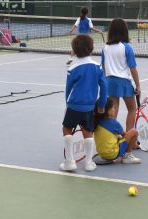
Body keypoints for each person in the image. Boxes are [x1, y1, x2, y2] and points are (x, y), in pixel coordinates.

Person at [60, 34, 107, 173]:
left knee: (67, 129)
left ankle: (70, 162)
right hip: (89, 107)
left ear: (74, 50)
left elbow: (68, 89)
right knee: (88, 132)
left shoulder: (72, 69)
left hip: (74, 105)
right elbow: (104, 87)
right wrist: (102, 104)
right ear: (91, 49)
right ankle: (89, 162)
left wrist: (67, 104)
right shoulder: (97, 67)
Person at [101, 18, 140, 132]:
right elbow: (133, 68)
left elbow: (103, 67)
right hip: (124, 82)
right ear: (124, 31)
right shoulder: (127, 47)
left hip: (109, 82)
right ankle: (129, 138)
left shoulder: (105, 48)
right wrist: (138, 85)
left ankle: (112, 138)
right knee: (132, 109)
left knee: (113, 110)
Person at [93, 98, 141, 164]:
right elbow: (125, 135)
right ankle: (127, 157)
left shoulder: (96, 121)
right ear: (108, 111)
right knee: (134, 132)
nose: (114, 109)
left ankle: (112, 154)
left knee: (117, 136)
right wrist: (132, 142)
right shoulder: (113, 123)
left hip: (101, 153)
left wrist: (118, 137)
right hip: (112, 154)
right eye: (113, 107)